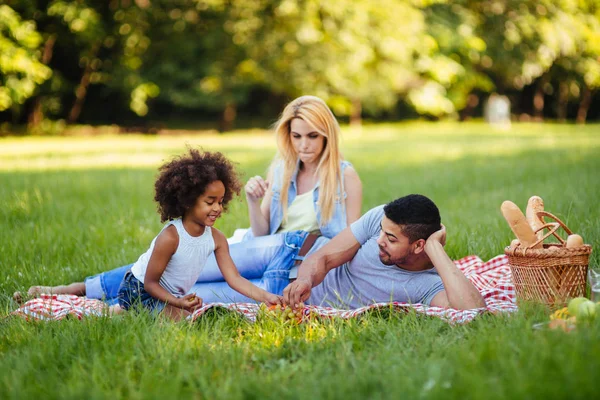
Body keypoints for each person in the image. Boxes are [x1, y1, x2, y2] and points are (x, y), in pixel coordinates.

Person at [16, 95, 362, 304]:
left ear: (327, 134)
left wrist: (308, 272)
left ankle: (113, 306)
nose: (305, 145)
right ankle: (78, 289)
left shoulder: (344, 176)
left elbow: (347, 242)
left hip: (300, 266)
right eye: (297, 136)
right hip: (268, 247)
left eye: (313, 136)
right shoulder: (282, 168)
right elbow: (260, 233)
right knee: (175, 265)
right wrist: (256, 202)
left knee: (199, 291)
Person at [24, 149, 282, 320]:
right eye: (209, 201)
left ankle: (93, 306)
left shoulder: (216, 239)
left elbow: (235, 279)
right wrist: (178, 303)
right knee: (146, 317)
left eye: (220, 201)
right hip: (138, 289)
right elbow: (150, 283)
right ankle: (70, 307)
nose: (217, 208)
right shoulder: (171, 237)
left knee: (182, 317)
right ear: (188, 200)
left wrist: (268, 297)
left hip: (169, 294)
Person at [282, 194, 486, 310]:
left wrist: (435, 247)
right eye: (382, 231)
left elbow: (474, 311)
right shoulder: (382, 216)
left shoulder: (429, 285)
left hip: (285, 297)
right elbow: (323, 258)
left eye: (391, 239)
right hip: (288, 253)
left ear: (419, 246)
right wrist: (305, 281)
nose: (379, 240)